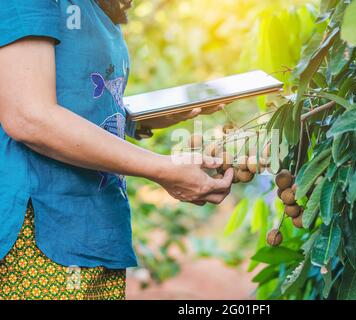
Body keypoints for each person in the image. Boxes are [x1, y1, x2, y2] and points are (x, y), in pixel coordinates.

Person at [0, 0, 233, 300]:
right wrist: (162, 169)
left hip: (93, 230)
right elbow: (29, 116)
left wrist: (156, 114)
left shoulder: (94, 8)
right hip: (39, 233)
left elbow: (77, 100)